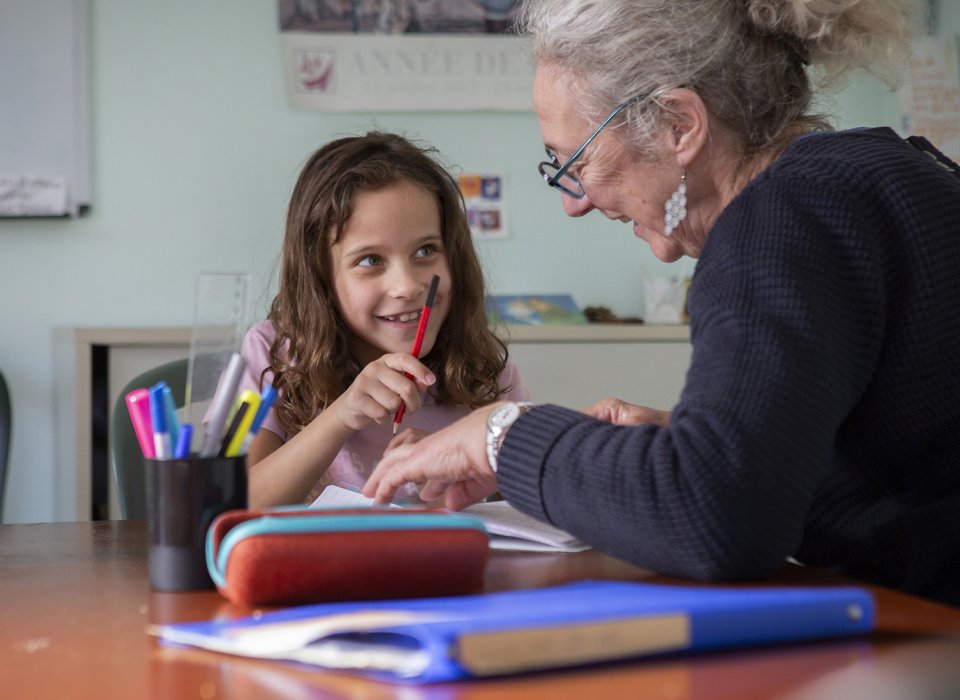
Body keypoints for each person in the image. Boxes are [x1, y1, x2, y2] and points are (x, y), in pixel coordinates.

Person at [365, 0, 960, 607]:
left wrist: (503, 434)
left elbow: (721, 520)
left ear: (680, 125)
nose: (575, 201)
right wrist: (682, 447)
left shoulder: (779, 223)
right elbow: (910, 478)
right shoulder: (878, 176)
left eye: (578, 161)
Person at [241, 131, 529, 509]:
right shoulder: (272, 352)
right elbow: (237, 506)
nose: (407, 286)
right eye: (370, 260)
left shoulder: (485, 369)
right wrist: (341, 416)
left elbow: (537, 508)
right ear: (321, 274)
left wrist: (468, 458)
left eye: (426, 250)